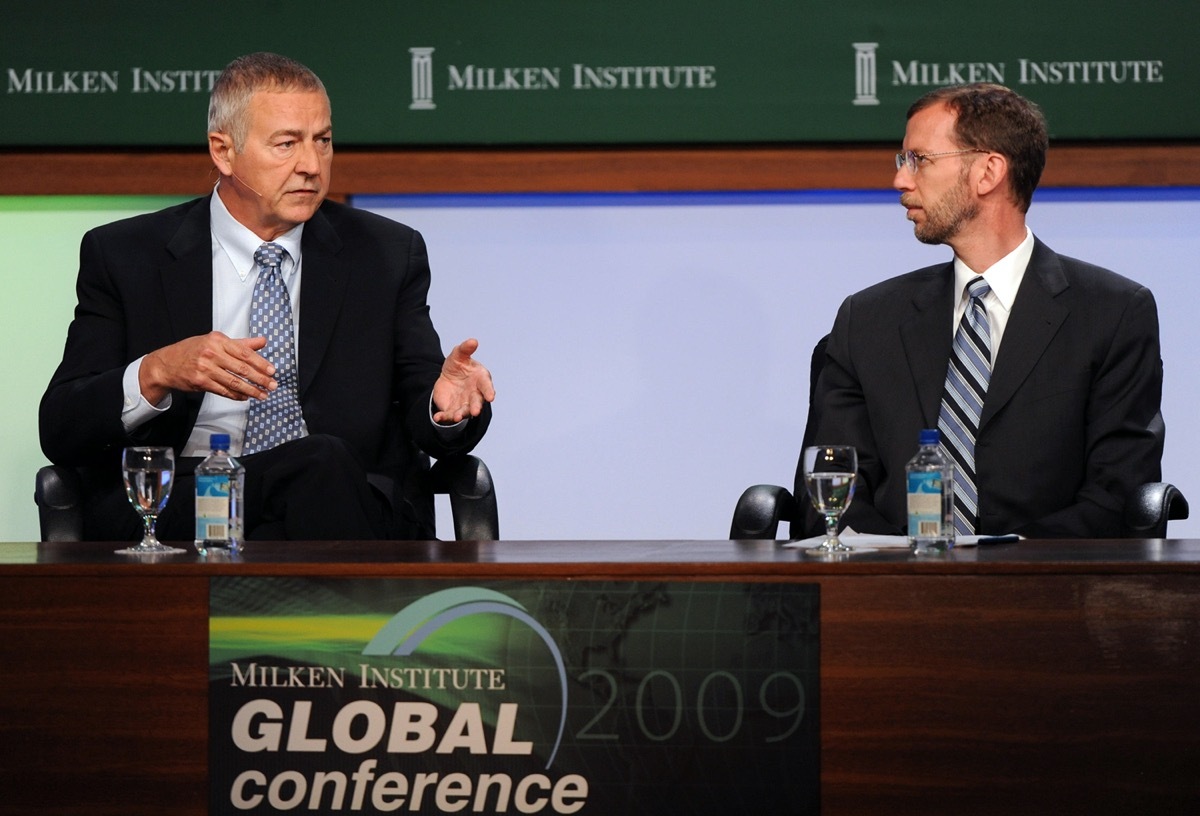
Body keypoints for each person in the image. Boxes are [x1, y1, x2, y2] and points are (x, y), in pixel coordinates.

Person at [40, 52, 495, 542]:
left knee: (321, 463)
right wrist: (156, 372)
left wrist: (446, 408)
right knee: (312, 470)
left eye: (323, 141)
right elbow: (62, 428)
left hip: (344, 499)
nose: (311, 165)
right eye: (286, 144)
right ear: (223, 151)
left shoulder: (385, 254)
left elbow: (425, 405)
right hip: (187, 503)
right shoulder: (126, 255)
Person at [799, 83, 1162, 539]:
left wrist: (998, 566)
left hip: (1046, 588)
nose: (900, 180)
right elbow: (829, 498)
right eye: (902, 161)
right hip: (893, 590)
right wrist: (903, 568)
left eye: (919, 160)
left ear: (988, 172)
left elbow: (1117, 495)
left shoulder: (1112, 313)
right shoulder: (868, 319)